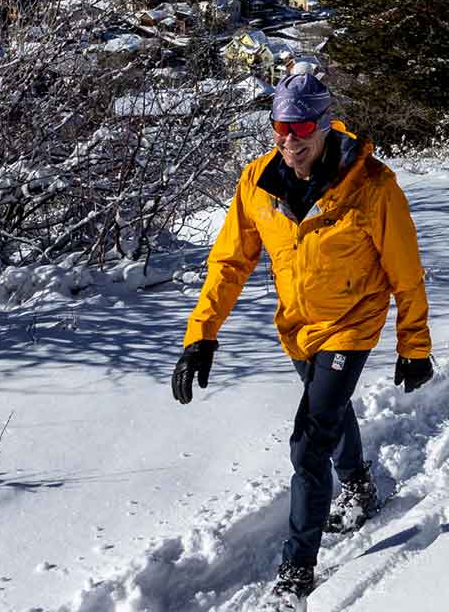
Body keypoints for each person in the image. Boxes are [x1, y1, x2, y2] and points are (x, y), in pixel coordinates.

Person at [171, 71, 433, 610]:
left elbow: (406, 272)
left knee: (309, 439)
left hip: (353, 325)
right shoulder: (257, 184)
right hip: (297, 328)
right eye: (280, 126)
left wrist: (415, 343)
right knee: (329, 413)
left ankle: (296, 570)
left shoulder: (372, 185)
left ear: (324, 124)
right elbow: (229, 263)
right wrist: (201, 336)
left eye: (302, 125)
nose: (290, 138)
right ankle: (358, 485)